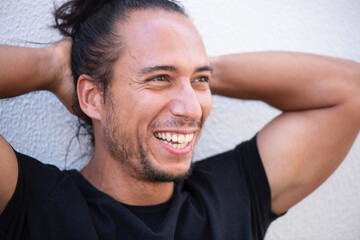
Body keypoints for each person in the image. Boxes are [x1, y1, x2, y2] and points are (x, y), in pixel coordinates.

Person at [0, 0, 359, 239]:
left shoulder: (230, 200)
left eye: (201, 82)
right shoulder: (32, 205)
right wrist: (50, 67)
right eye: (159, 78)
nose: (191, 108)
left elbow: (351, 91)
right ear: (93, 97)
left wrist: (191, 67)